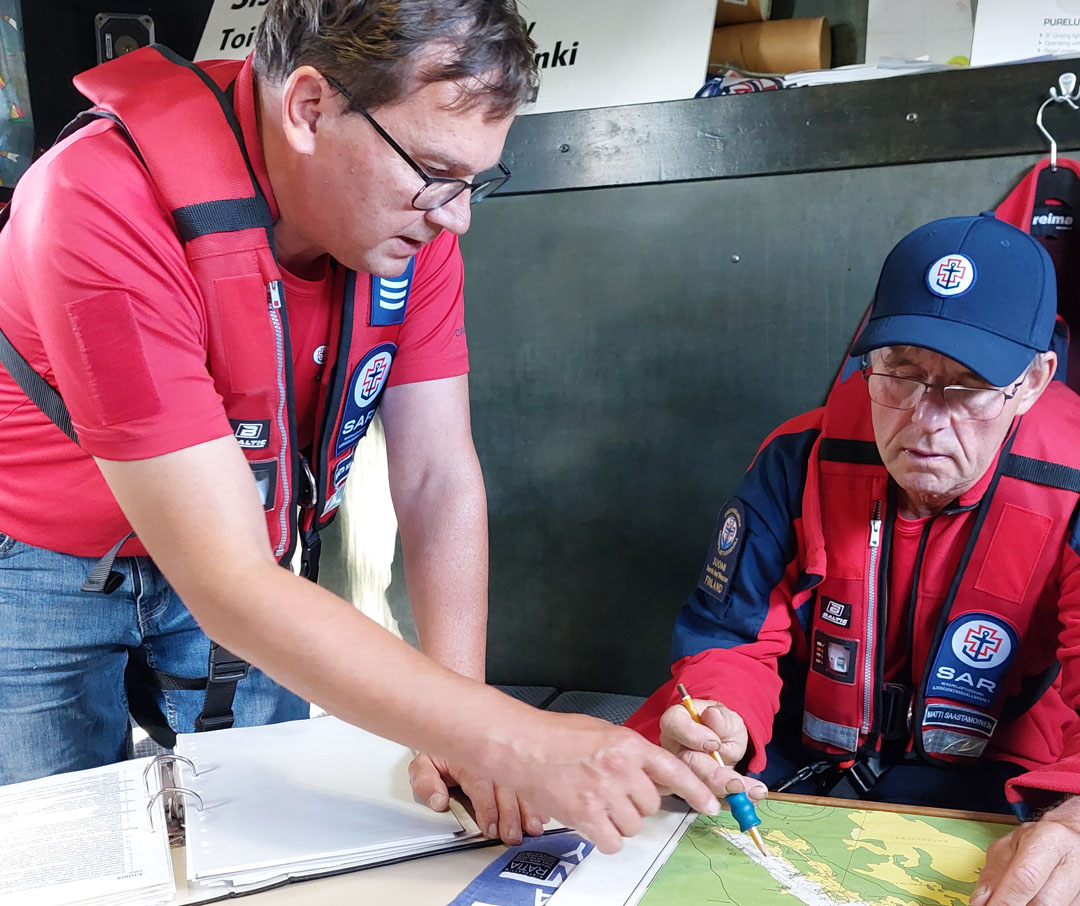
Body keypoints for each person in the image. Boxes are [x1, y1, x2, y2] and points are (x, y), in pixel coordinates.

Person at [0, 0, 719, 854]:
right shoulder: (98, 202)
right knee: (52, 849)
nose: (456, 218)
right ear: (309, 108)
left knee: (272, 842)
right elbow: (224, 580)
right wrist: (510, 735)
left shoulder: (413, 229)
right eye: (436, 172)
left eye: (475, 180)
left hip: (257, 554)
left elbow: (436, 479)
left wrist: (460, 735)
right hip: (41, 563)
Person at [627, 213, 1080, 903]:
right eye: (900, 371)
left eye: (966, 383)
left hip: (1004, 783)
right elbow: (732, 639)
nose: (925, 420)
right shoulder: (799, 457)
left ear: (1033, 380)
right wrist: (723, 716)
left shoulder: (1072, 484)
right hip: (796, 763)